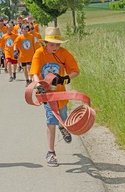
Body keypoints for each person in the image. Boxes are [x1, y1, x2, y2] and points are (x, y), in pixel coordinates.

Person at [30, 27, 80, 167]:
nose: (55, 47)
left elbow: (75, 71)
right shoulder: (39, 54)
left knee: (63, 118)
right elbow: (34, 72)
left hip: (60, 94)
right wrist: (38, 83)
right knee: (51, 120)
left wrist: (64, 79)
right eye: (52, 44)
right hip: (47, 94)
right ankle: (51, 152)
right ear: (45, 43)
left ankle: (63, 128)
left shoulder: (64, 53)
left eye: (58, 44)